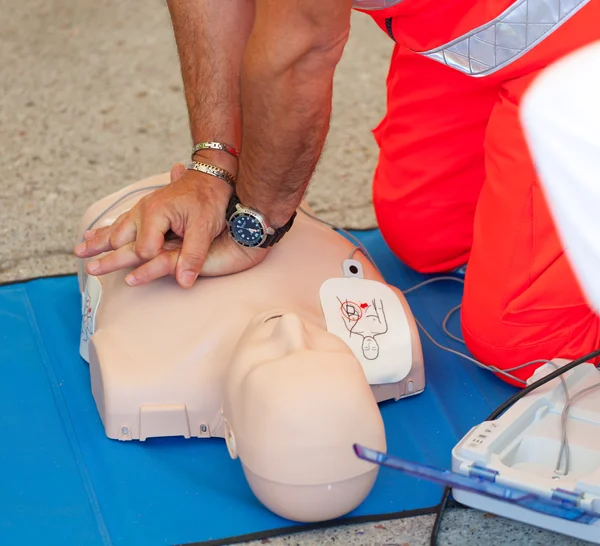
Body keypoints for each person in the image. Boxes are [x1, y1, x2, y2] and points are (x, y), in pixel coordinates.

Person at [74, 0, 600, 386]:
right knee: (427, 236)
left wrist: (254, 225)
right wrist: (214, 166)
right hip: (476, 27)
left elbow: (298, 50)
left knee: (528, 348)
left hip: (580, 38)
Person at [76, 167, 424, 522]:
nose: (291, 328)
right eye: (326, 350)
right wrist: (222, 178)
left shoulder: (139, 372)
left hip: (128, 209)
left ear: (233, 438)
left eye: (274, 359)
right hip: (268, 198)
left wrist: (211, 178)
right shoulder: (390, 341)